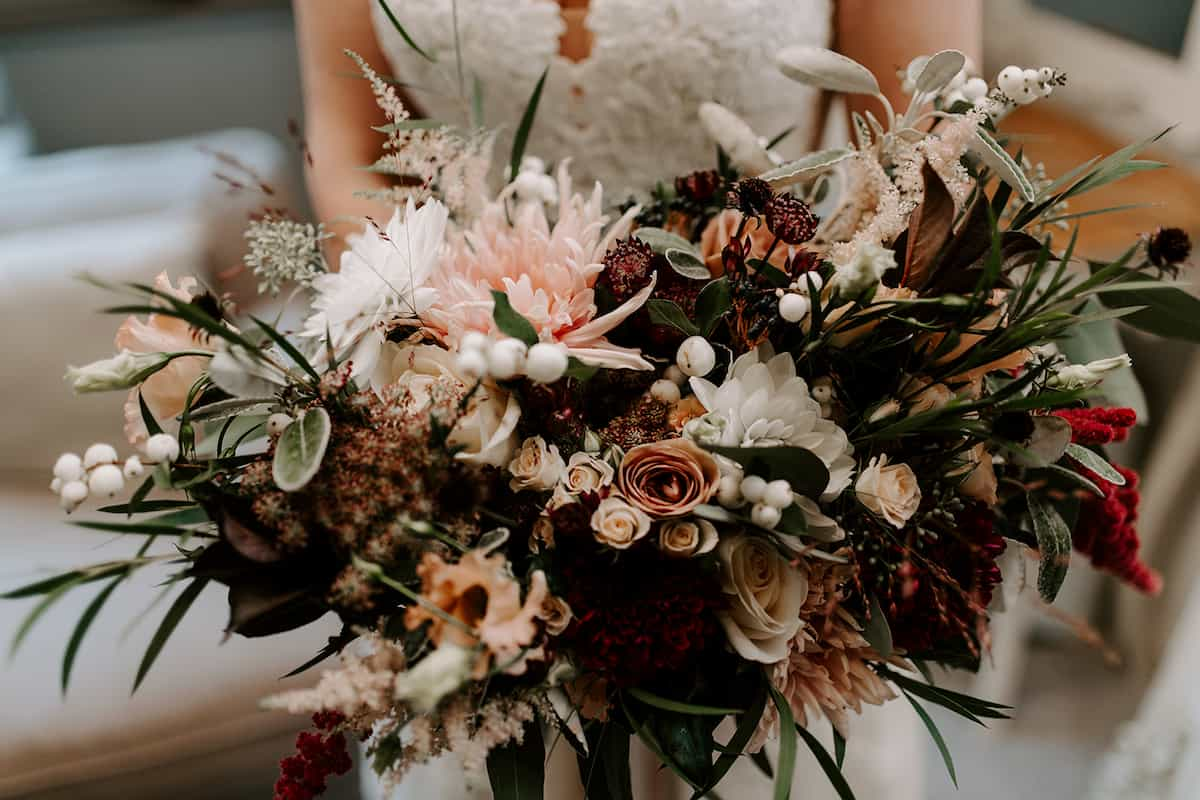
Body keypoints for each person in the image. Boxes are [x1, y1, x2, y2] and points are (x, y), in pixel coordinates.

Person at [290, 2, 982, 797]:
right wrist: (448, 365)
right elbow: (350, 148)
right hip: (468, 456)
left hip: (769, 444)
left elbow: (926, 176)